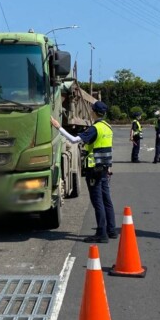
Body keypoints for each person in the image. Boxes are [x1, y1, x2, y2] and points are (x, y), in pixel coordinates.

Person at [51, 101, 117, 243]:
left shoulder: (95, 128)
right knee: (107, 200)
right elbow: (109, 148)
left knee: (97, 201)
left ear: (94, 112)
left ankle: (101, 234)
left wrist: (58, 127)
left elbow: (74, 140)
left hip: (94, 169)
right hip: (104, 168)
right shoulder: (108, 127)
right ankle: (111, 230)